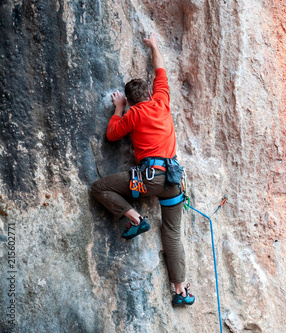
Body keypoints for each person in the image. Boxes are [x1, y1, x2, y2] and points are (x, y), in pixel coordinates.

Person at [91, 32, 194, 306]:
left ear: (131, 100)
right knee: (172, 233)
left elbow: (112, 134)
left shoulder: (133, 114)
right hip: (174, 180)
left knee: (99, 188)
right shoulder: (162, 101)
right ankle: (181, 291)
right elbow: (160, 69)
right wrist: (154, 45)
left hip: (147, 180)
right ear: (149, 93)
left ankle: (136, 219)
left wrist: (119, 109)